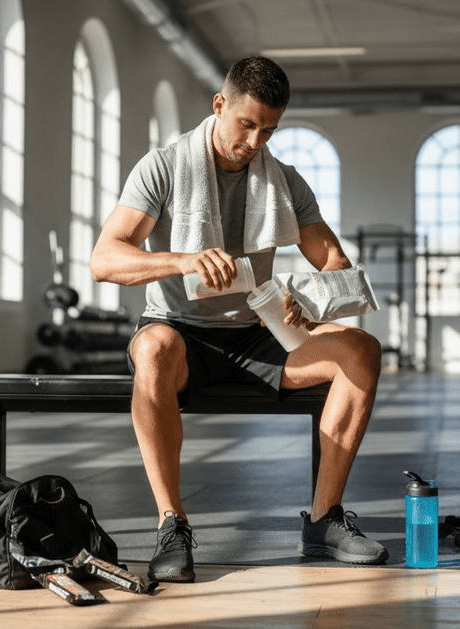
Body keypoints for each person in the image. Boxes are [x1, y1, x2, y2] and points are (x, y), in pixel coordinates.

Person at [90, 55, 386, 583]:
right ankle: (171, 524)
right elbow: (104, 259)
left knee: (360, 351)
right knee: (152, 348)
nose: (254, 141)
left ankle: (324, 520)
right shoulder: (163, 167)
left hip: (256, 333)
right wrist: (182, 260)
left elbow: (335, 264)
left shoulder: (284, 182)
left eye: (268, 130)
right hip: (179, 335)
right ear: (219, 104)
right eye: (246, 124)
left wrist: (309, 300)